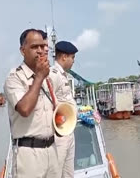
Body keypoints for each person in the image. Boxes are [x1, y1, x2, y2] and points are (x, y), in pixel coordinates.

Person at [3, 28, 59, 178]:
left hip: (52, 151)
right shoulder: (14, 78)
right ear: (23, 50)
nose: (40, 51)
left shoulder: (48, 77)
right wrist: (39, 77)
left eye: (42, 46)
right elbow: (25, 109)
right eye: (34, 47)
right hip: (28, 155)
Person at [49, 41, 78, 178]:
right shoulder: (53, 74)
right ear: (64, 57)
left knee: (68, 173)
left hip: (68, 131)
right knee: (56, 172)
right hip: (59, 134)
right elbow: (46, 103)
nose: (73, 61)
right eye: (72, 58)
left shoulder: (63, 75)